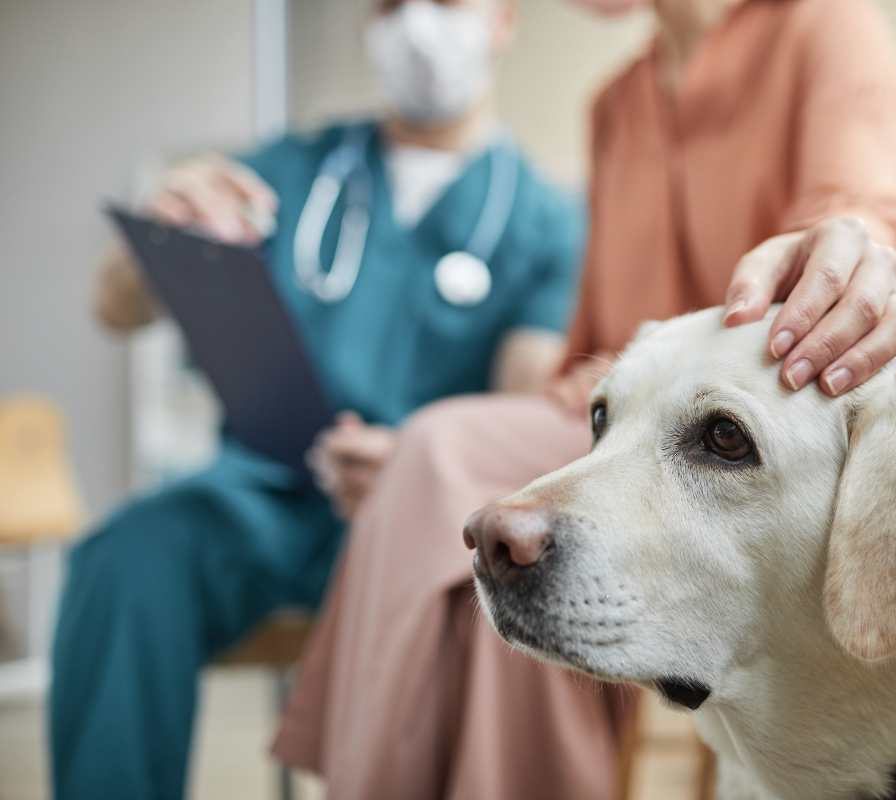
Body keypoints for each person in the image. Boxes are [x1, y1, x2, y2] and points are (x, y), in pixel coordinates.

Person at [272, 0, 896, 798]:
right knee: (444, 473)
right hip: (616, 423)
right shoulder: (614, 105)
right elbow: (593, 352)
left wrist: (851, 242)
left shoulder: (822, 24)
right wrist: (463, 454)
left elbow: (857, 196)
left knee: (443, 456)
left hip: (751, 435)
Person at [49, 2, 584, 798]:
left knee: (477, 619)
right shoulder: (293, 172)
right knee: (125, 556)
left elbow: (520, 401)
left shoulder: (545, 221)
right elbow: (113, 307)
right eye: (392, 5)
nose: (416, 26)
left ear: (503, 19)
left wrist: (414, 469)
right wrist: (164, 226)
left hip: (423, 520)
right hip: (261, 501)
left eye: (445, 4)